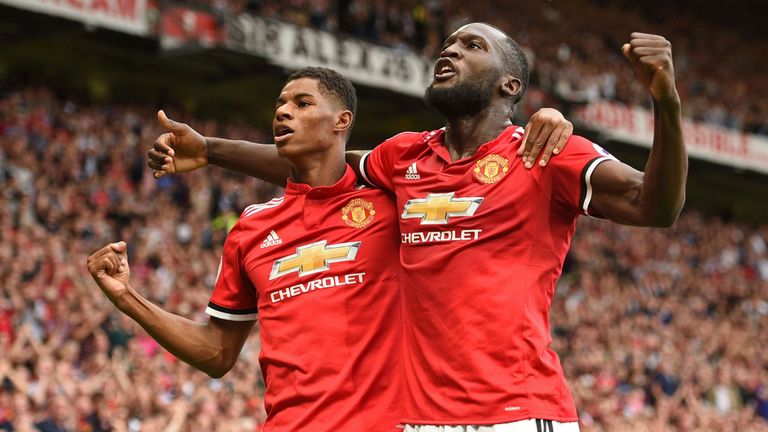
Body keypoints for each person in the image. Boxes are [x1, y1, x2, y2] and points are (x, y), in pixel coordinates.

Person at [149, 24, 687, 432]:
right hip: (421, 420)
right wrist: (212, 150)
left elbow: (653, 205)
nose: (450, 51)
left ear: (510, 83)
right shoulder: (403, 157)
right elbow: (317, 159)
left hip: (518, 412)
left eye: (473, 47)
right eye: (449, 44)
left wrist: (665, 102)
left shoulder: (544, 152)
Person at [88, 67, 404, 431]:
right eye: (280, 105)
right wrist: (127, 298)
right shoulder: (253, 226)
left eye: (302, 104)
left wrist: (211, 149)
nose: (283, 112)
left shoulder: (392, 205)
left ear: (341, 120)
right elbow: (217, 352)